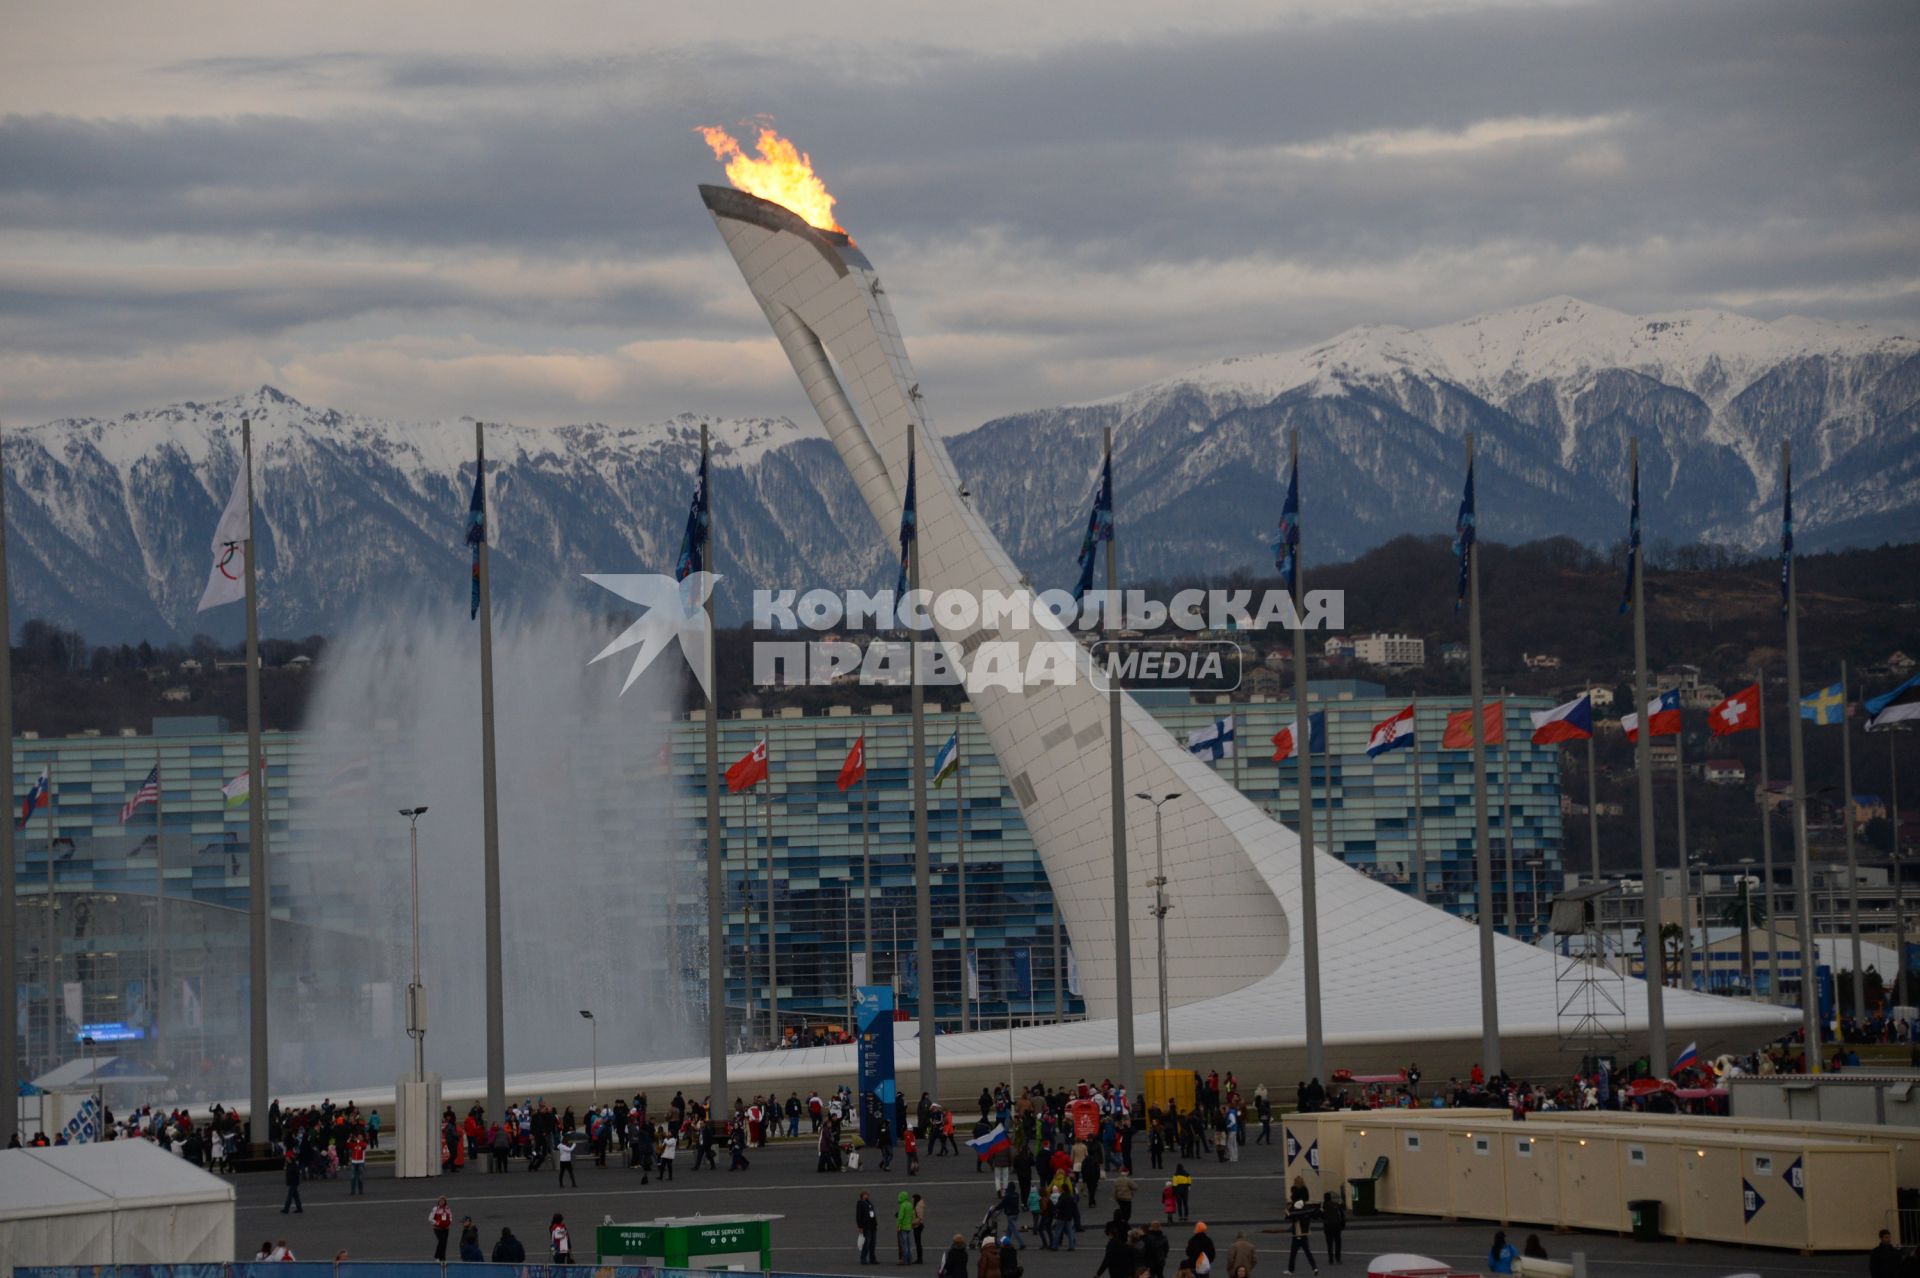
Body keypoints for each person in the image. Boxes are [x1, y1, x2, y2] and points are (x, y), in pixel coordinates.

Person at [1284, 1200, 1317, 1276]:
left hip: (1297, 1236)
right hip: (1304, 1235)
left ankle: (1291, 1270)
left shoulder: (1297, 1215)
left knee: (1293, 1254)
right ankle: (1314, 1268)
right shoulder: (1306, 1214)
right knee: (1308, 1253)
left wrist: (1287, 1210)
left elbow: (1288, 1217)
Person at [1320, 1192, 1344, 1266]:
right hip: (1336, 1225)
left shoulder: (1323, 1206)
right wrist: (1342, 1225)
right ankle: (1338, 1258)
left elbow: (1321, 1216)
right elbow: (1342, 1215)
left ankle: (1330, 1259)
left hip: (1327, 1226)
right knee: (1338, 1242)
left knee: (1329, 1243)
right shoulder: (1336, 1205)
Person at [857, 1190, 879, 1265]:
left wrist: (875, 1224)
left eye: (867, 1195)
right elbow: (858, 1216)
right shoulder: (860, 1204)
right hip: (866, 1226)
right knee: (867, 1242)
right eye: (866, 1195)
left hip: (872, 1226)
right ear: (862, 1196)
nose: (867, 1196)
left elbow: (873, 1214)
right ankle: (863, 1258)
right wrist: (860, 1226)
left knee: (873, 1243)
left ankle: (872, 1258)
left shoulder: (869, 1203)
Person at [896, 1190, 916, 1263]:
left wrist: (898, 1227)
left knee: (904, 1245)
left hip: (903, 1227)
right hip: (908, 1227)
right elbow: (912, 1215)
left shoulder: (902, 1205)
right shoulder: (910, 1204)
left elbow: (900, 1217)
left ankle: (905, 1260)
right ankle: (909, 1259)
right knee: (908, 1243)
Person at [912, 1192, 927, 1262]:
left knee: (918, 1243)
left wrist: (912, 1223)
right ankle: (919, 1258)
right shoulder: (918, 1205)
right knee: (918, 1242)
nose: (912, 1200)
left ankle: (919, 1258)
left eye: (913, 1199)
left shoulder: (918, 1207)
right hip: (918, 1225)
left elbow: (919, 1218)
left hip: (917, 1226)